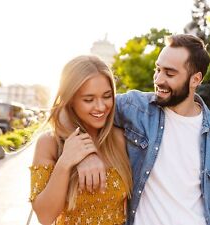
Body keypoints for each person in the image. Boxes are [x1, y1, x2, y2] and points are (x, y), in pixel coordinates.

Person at [76, 34, 210, 225]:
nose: (158, 79)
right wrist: (86, 154)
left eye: (169, 74)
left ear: (195, 79)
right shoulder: (135, 107)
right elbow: (72, 109)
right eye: (158, 69)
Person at [29, 55, 132, 225]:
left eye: (107, 96)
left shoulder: (119, 138)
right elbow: (45, 217)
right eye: (88, 100)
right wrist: (66, 161)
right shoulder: (49, 143)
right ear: (70, 101)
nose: (100, 107)